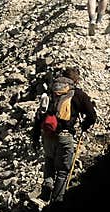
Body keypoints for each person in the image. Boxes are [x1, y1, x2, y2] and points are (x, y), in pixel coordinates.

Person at [31, 67, 97, 203]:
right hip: (65, 136)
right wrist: (84, 126)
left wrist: (35, 138)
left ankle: (47, 185)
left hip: (48, 134)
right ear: (75, 80)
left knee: (49, 160)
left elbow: (39, 116)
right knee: (62, 171)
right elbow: (92, 115)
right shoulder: (78, 94)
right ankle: (57, 201)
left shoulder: (50, 92)